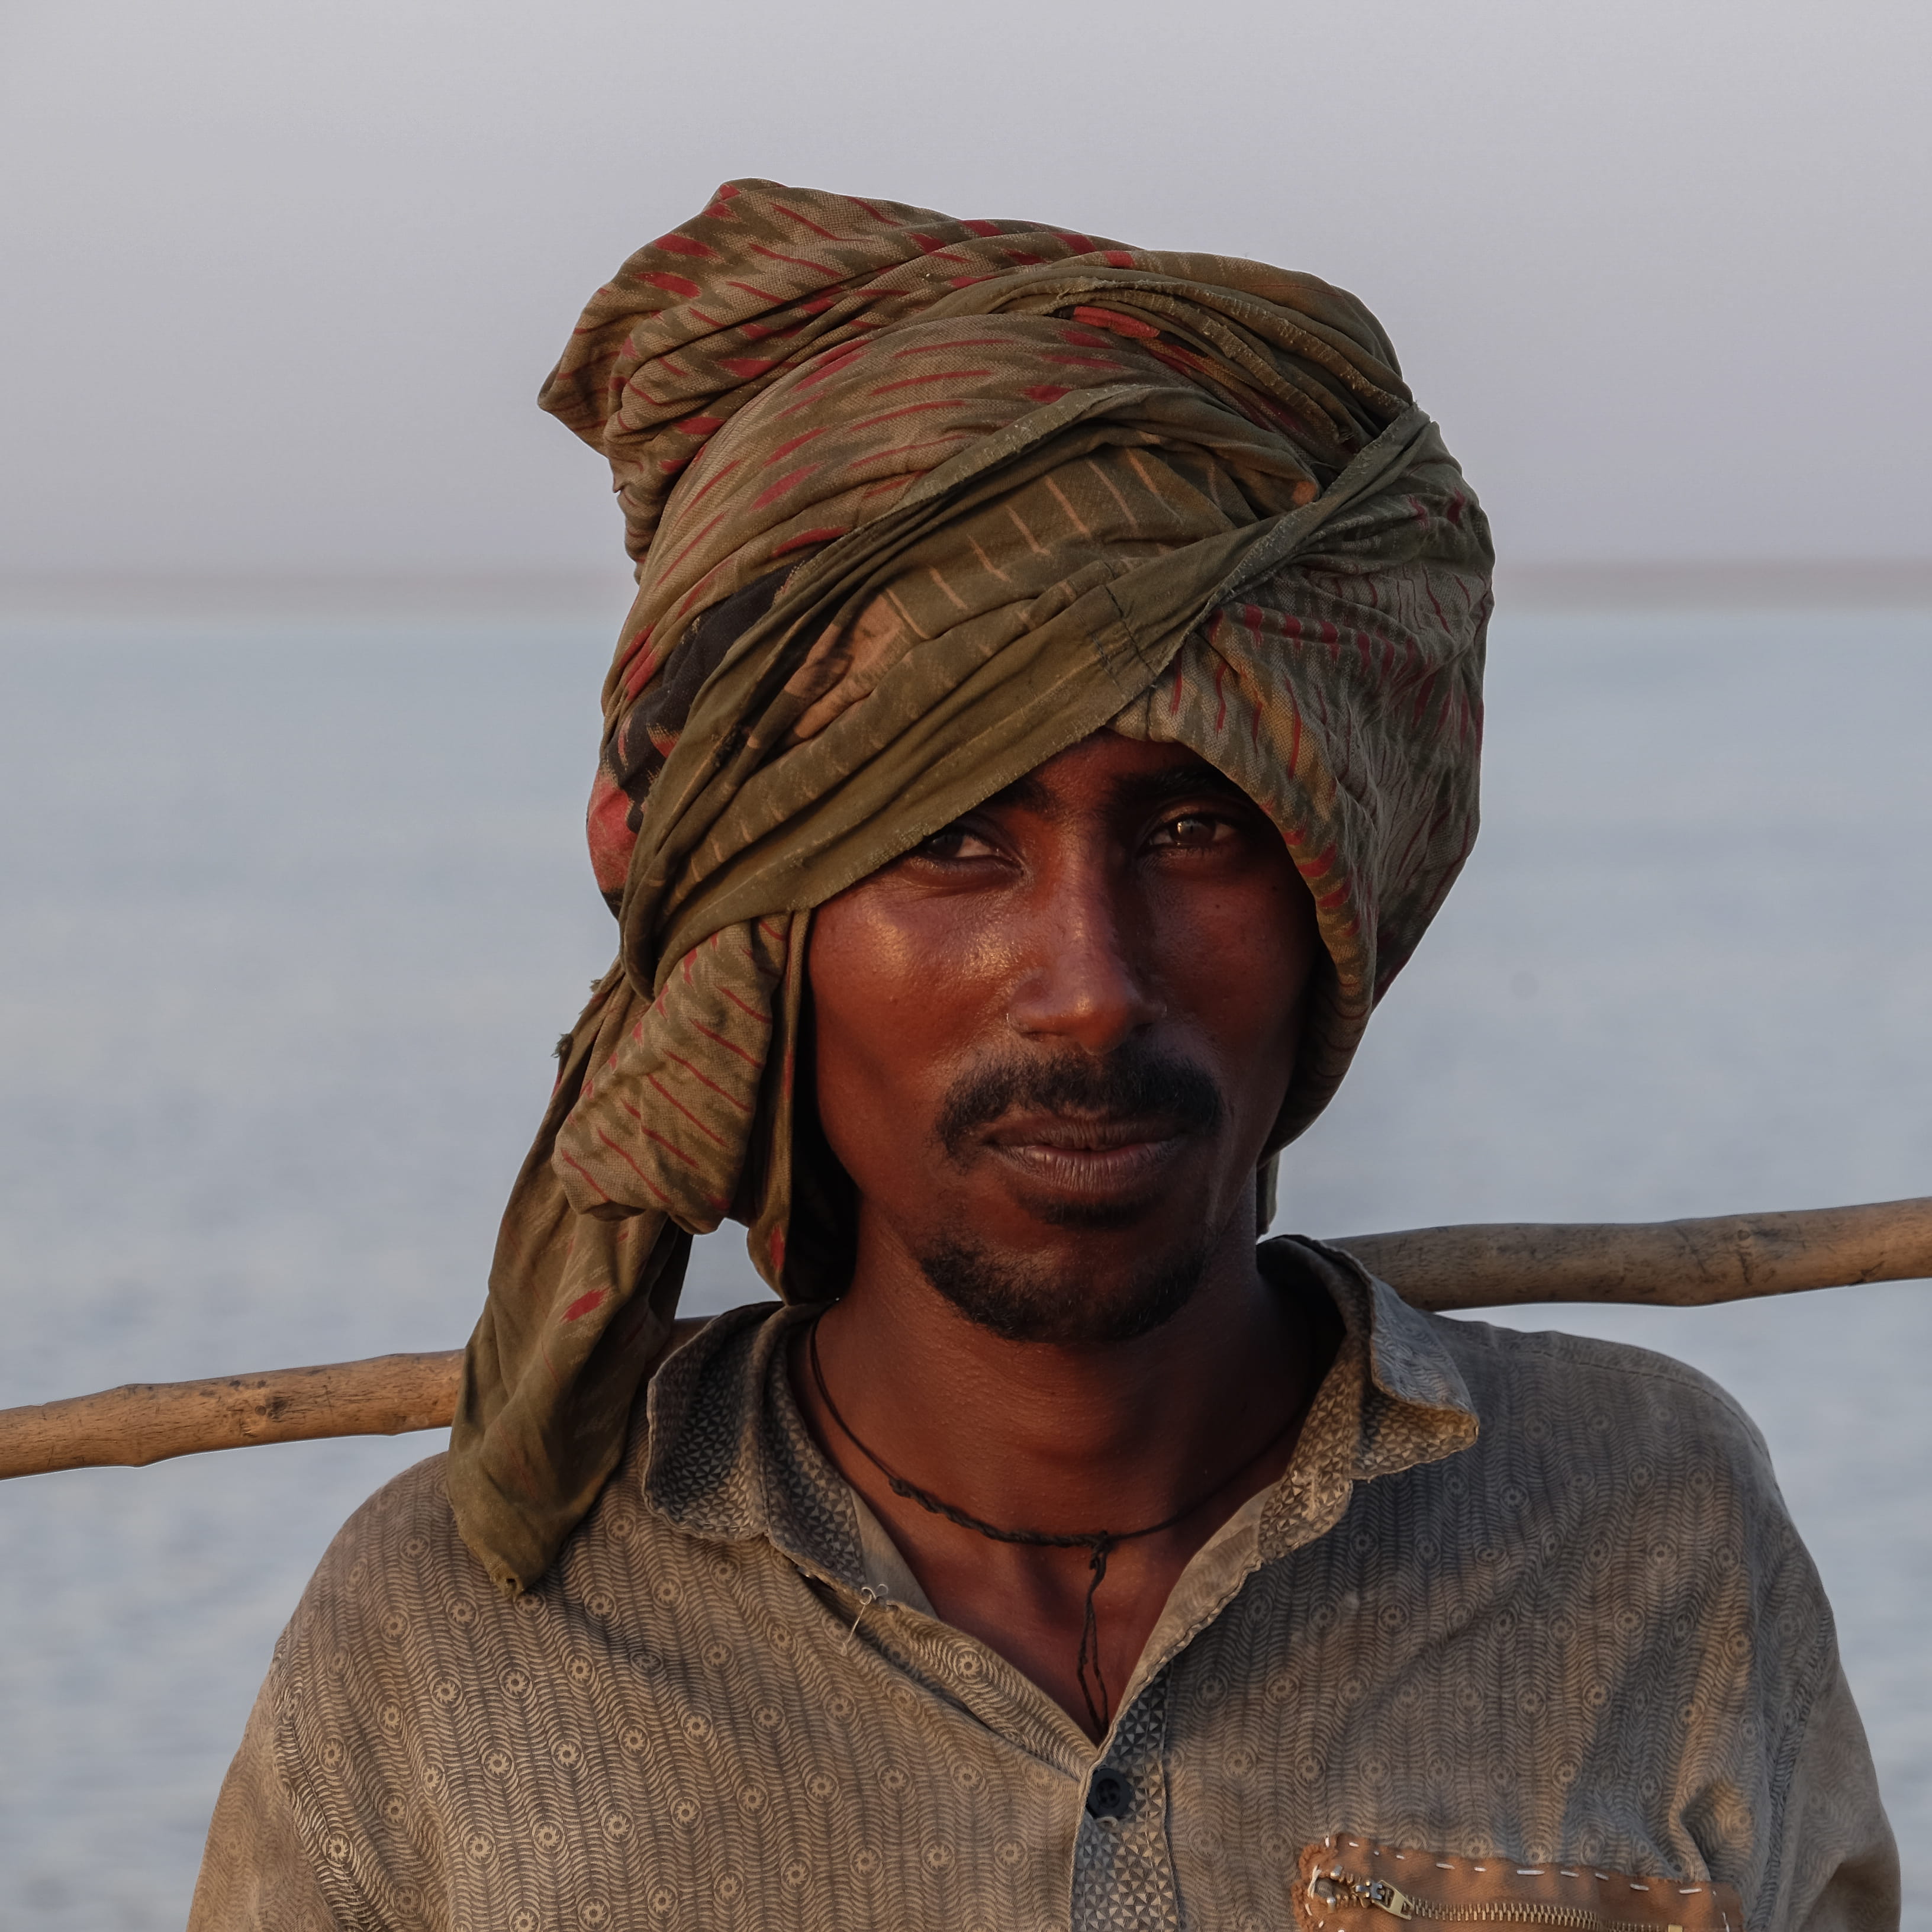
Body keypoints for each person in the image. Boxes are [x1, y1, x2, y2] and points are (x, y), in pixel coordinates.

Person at [188, 181, 1896, 1932]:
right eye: (951, 843)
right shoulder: (439, 1650)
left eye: (1196, 834)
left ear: (1337, 888)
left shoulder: (1648, 1527)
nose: (1088, 987)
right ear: (763, 944)